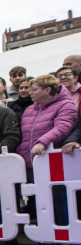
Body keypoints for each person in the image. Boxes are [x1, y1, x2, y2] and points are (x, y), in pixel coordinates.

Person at [18, 75, 78, 225]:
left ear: (47, 89)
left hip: (53, 161)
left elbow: (63, 127)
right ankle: (46, 232)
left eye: (34, 89)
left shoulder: (65, 105)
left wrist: (43, 142)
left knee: (58, 197)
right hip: (31, 163)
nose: (30, 93)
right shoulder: (29, 110)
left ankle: (65, 231)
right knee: (40, 198)